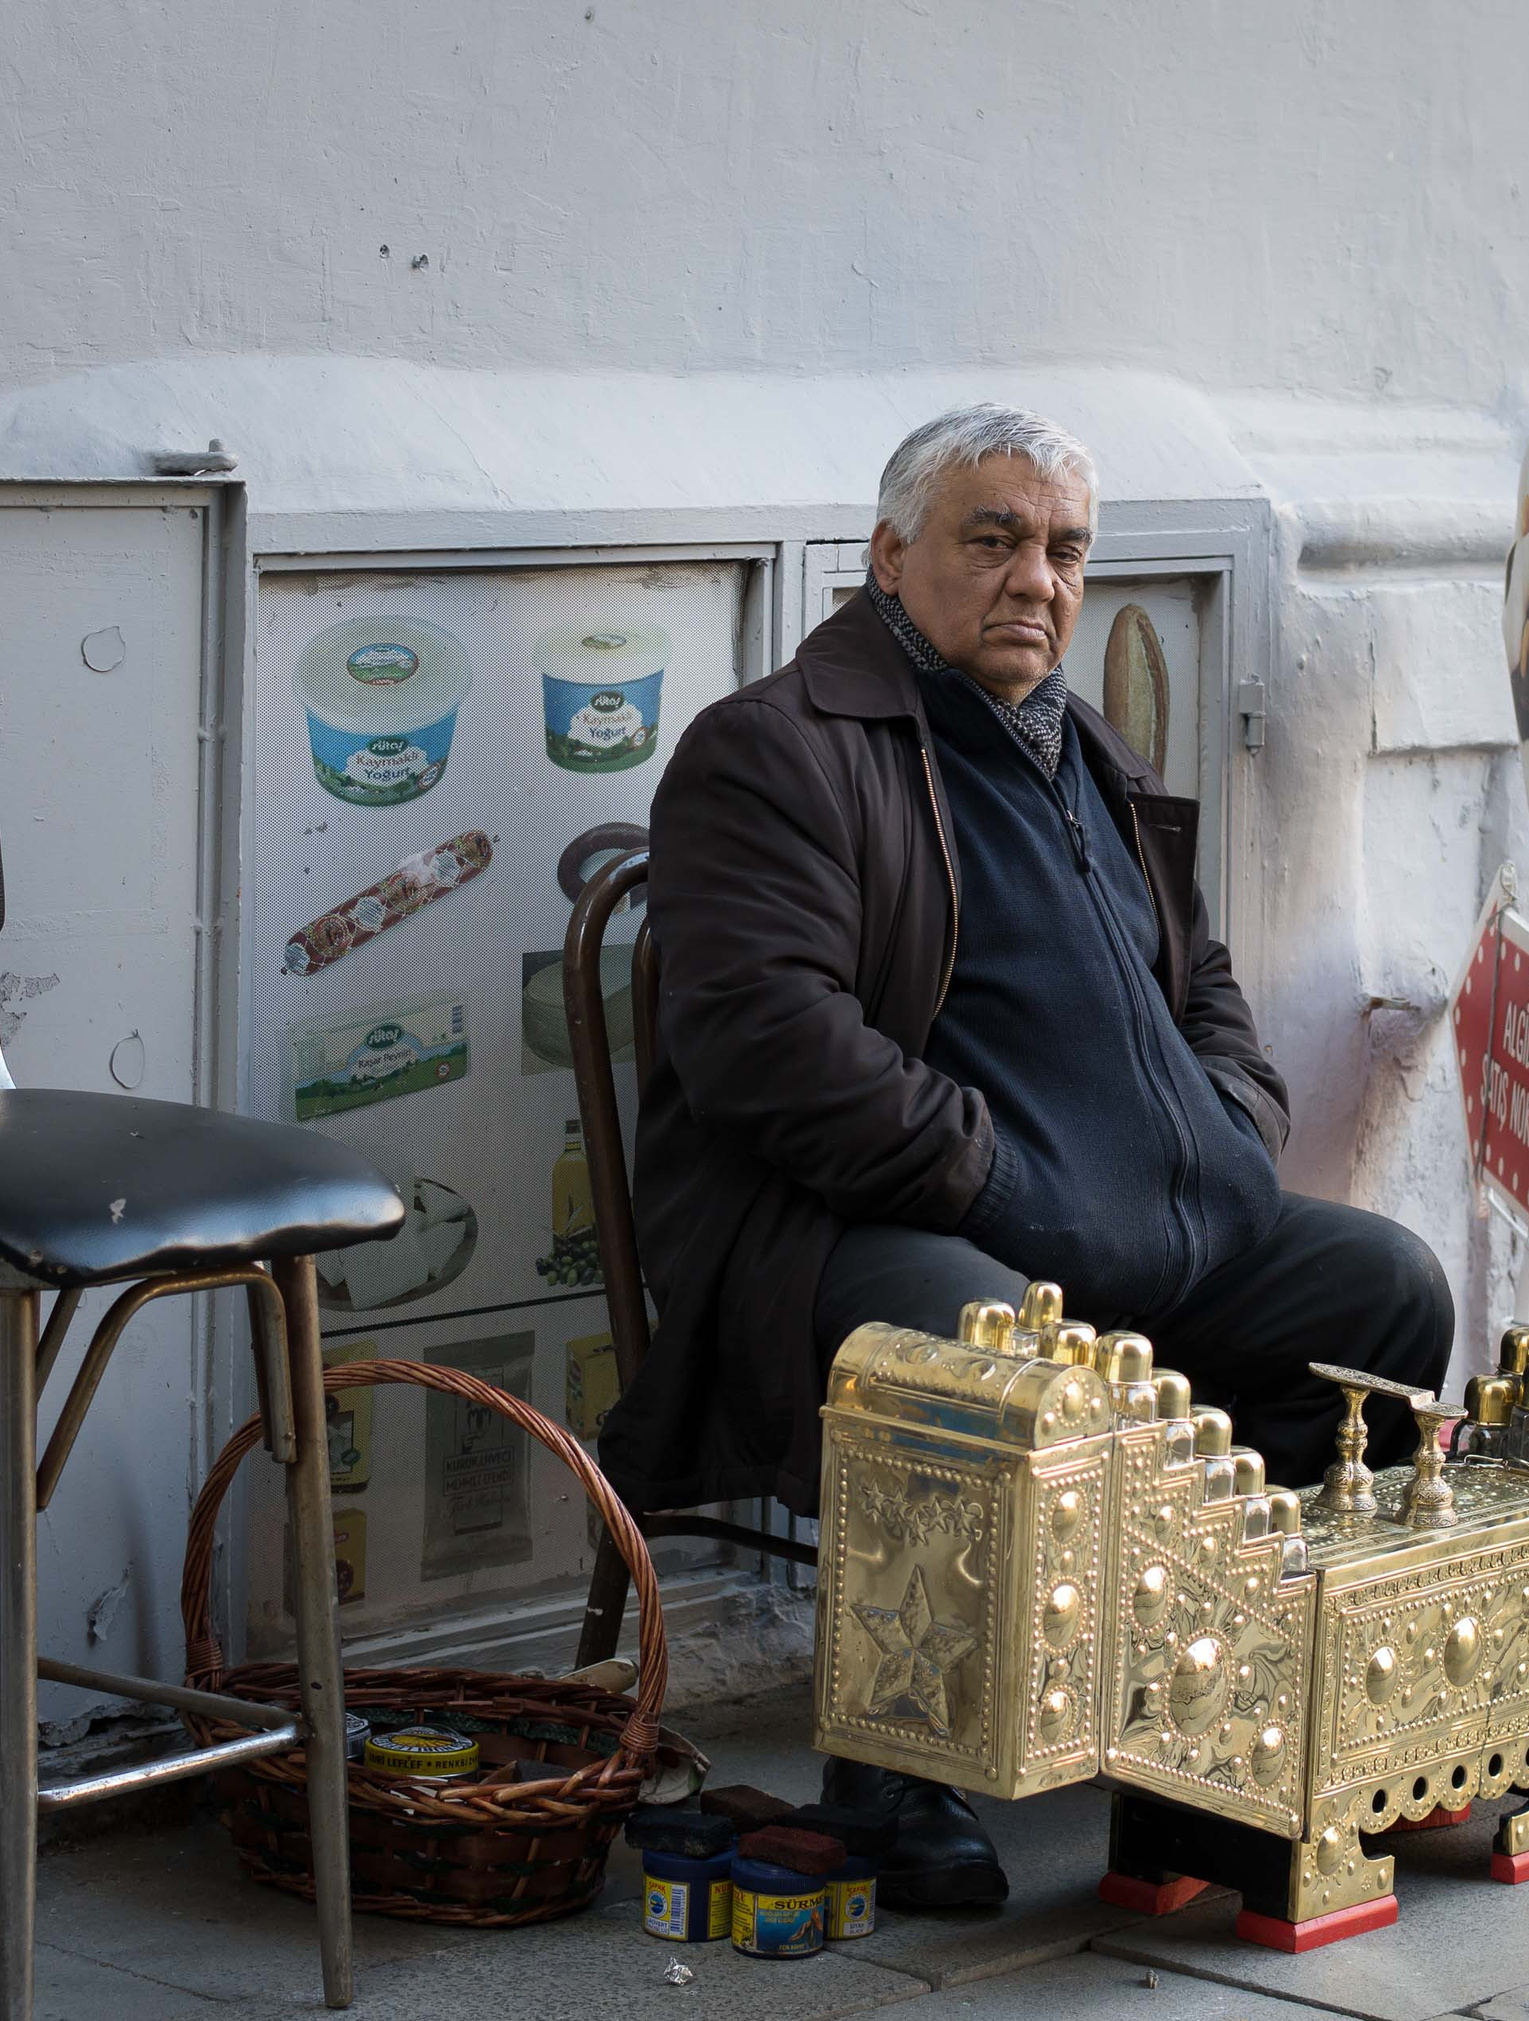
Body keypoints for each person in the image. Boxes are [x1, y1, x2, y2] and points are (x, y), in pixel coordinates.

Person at [601, 403, 1454, 1907]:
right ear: (887, 555)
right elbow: (761, 1037)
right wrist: (997, 1178)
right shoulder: (776, 749)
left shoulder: (1088, 748)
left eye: (1063, 549)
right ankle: (898, 1759)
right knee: (982, 1342)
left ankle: (1218, 1709)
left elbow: (1201, 986)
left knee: (1382, 1290)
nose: (1036, 580)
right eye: (990, 539)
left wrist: (1232, 1137)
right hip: (853, 1232)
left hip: (1139, 1223)